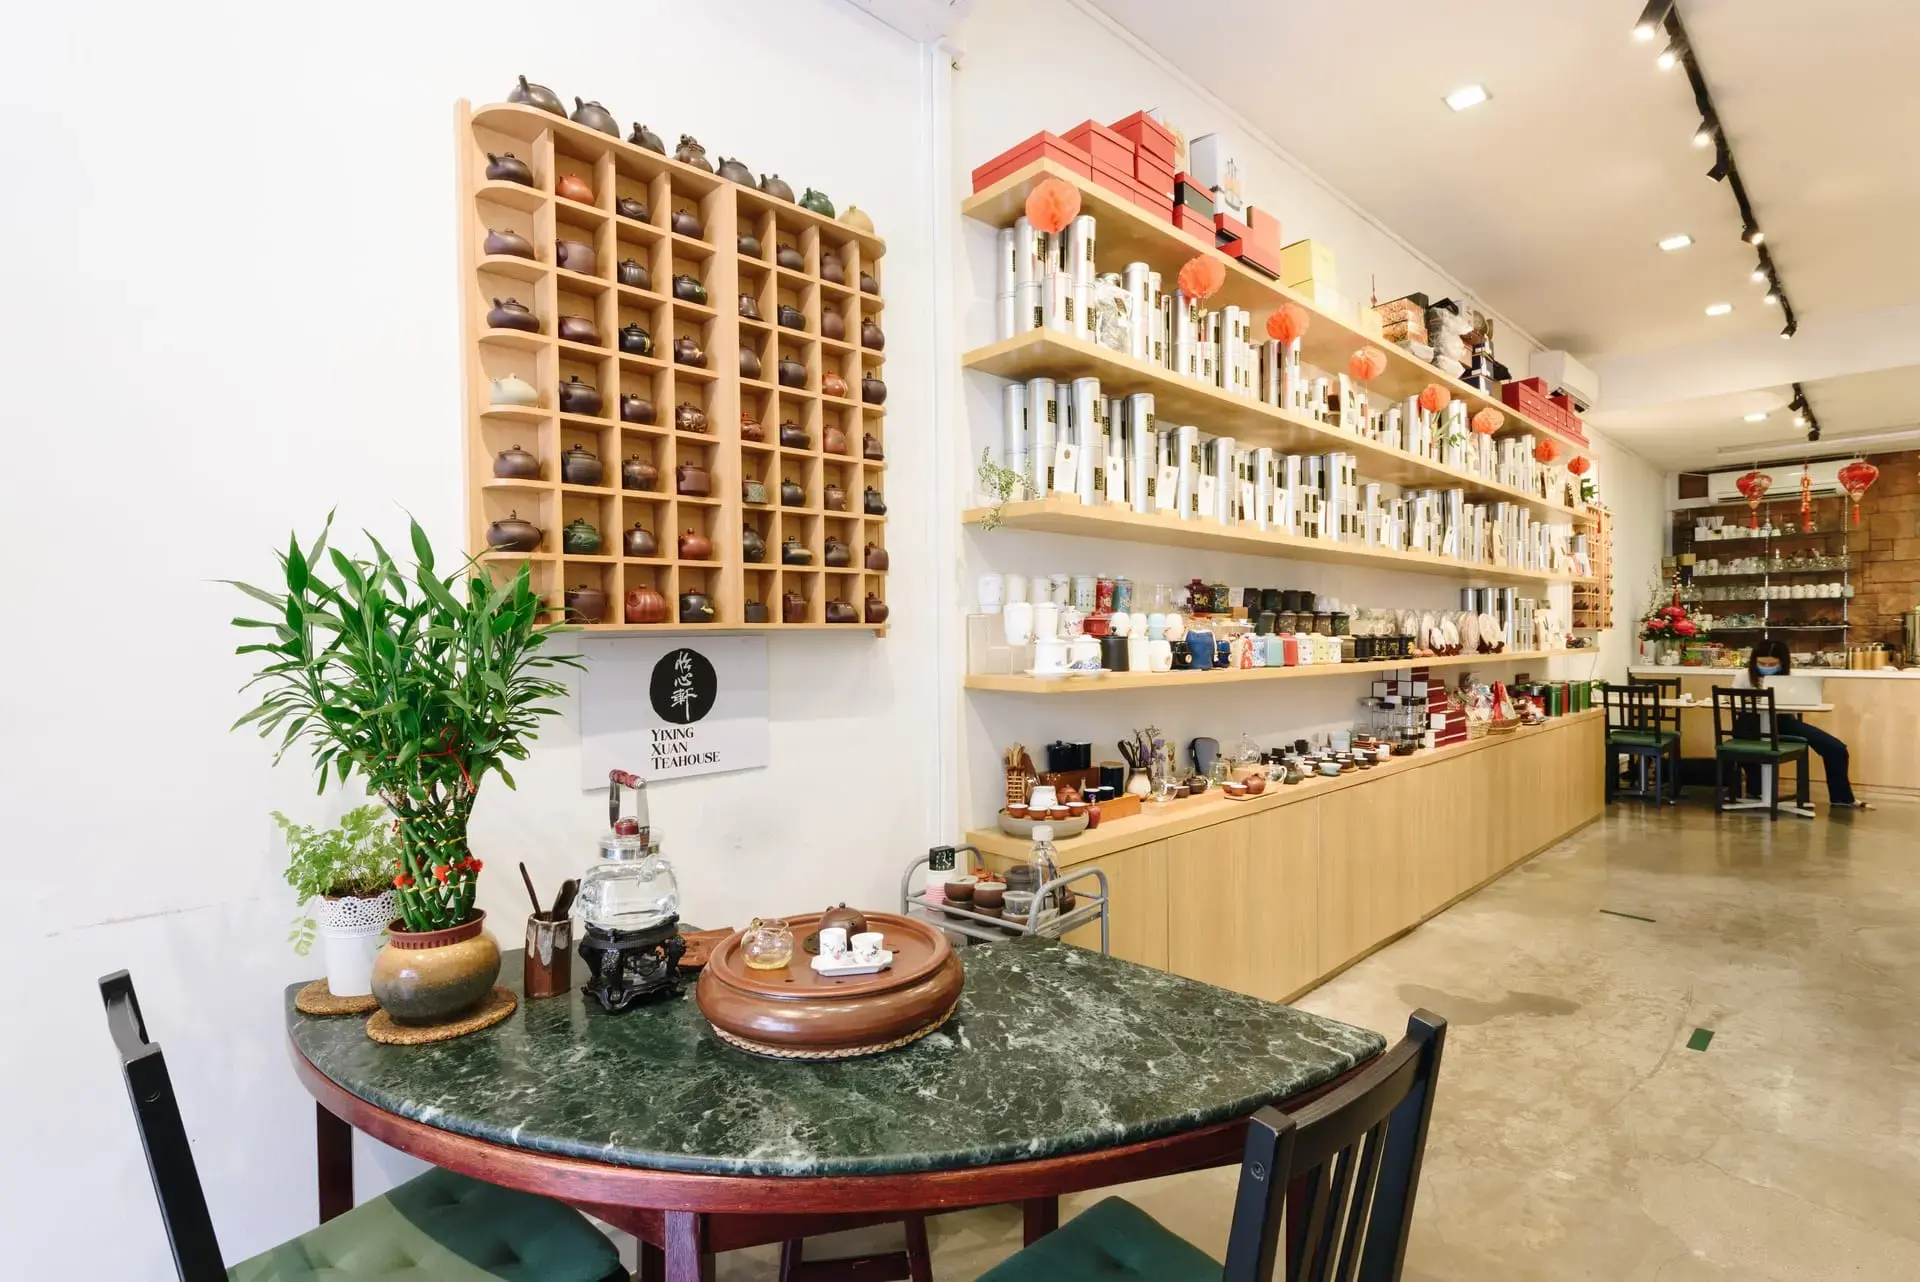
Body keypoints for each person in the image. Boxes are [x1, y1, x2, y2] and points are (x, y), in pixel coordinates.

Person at [1733, 639, 1871, 810]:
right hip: (1749, 723)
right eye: (1761, 663)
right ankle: (1757, 792)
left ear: (1782, 663)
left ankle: (1842, 798)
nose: (1766, 667)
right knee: (1744, 748)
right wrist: (1749, 699)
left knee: (1836, 748)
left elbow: (1799, 702)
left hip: (1783, 721)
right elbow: (1734, 703)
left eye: (1772, 664)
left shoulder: (1792, 678)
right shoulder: (1743, 676)